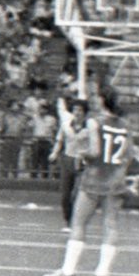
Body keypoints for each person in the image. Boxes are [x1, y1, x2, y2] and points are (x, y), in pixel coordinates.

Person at [44, 91, 133, 276]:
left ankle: (68, 272)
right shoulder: (126, 126)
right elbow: (129, 155)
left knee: (78, 223)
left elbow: (95, 151)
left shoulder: (95, 123)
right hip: (116, 180)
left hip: (95, 178)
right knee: (111, 226)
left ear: (102, 102)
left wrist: (82, 155)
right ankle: (102, 273)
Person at [49, 96, 87, 232]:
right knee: (65, 194)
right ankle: (68, 220)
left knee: (76, 193)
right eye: (75, 109)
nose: (77, 113)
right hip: (67, 159)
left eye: (80, 110)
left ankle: (77, 222)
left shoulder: (89, 127)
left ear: (84, 112)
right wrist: (54, 153)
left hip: (82, 162)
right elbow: (60, 141)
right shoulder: (66, 125)